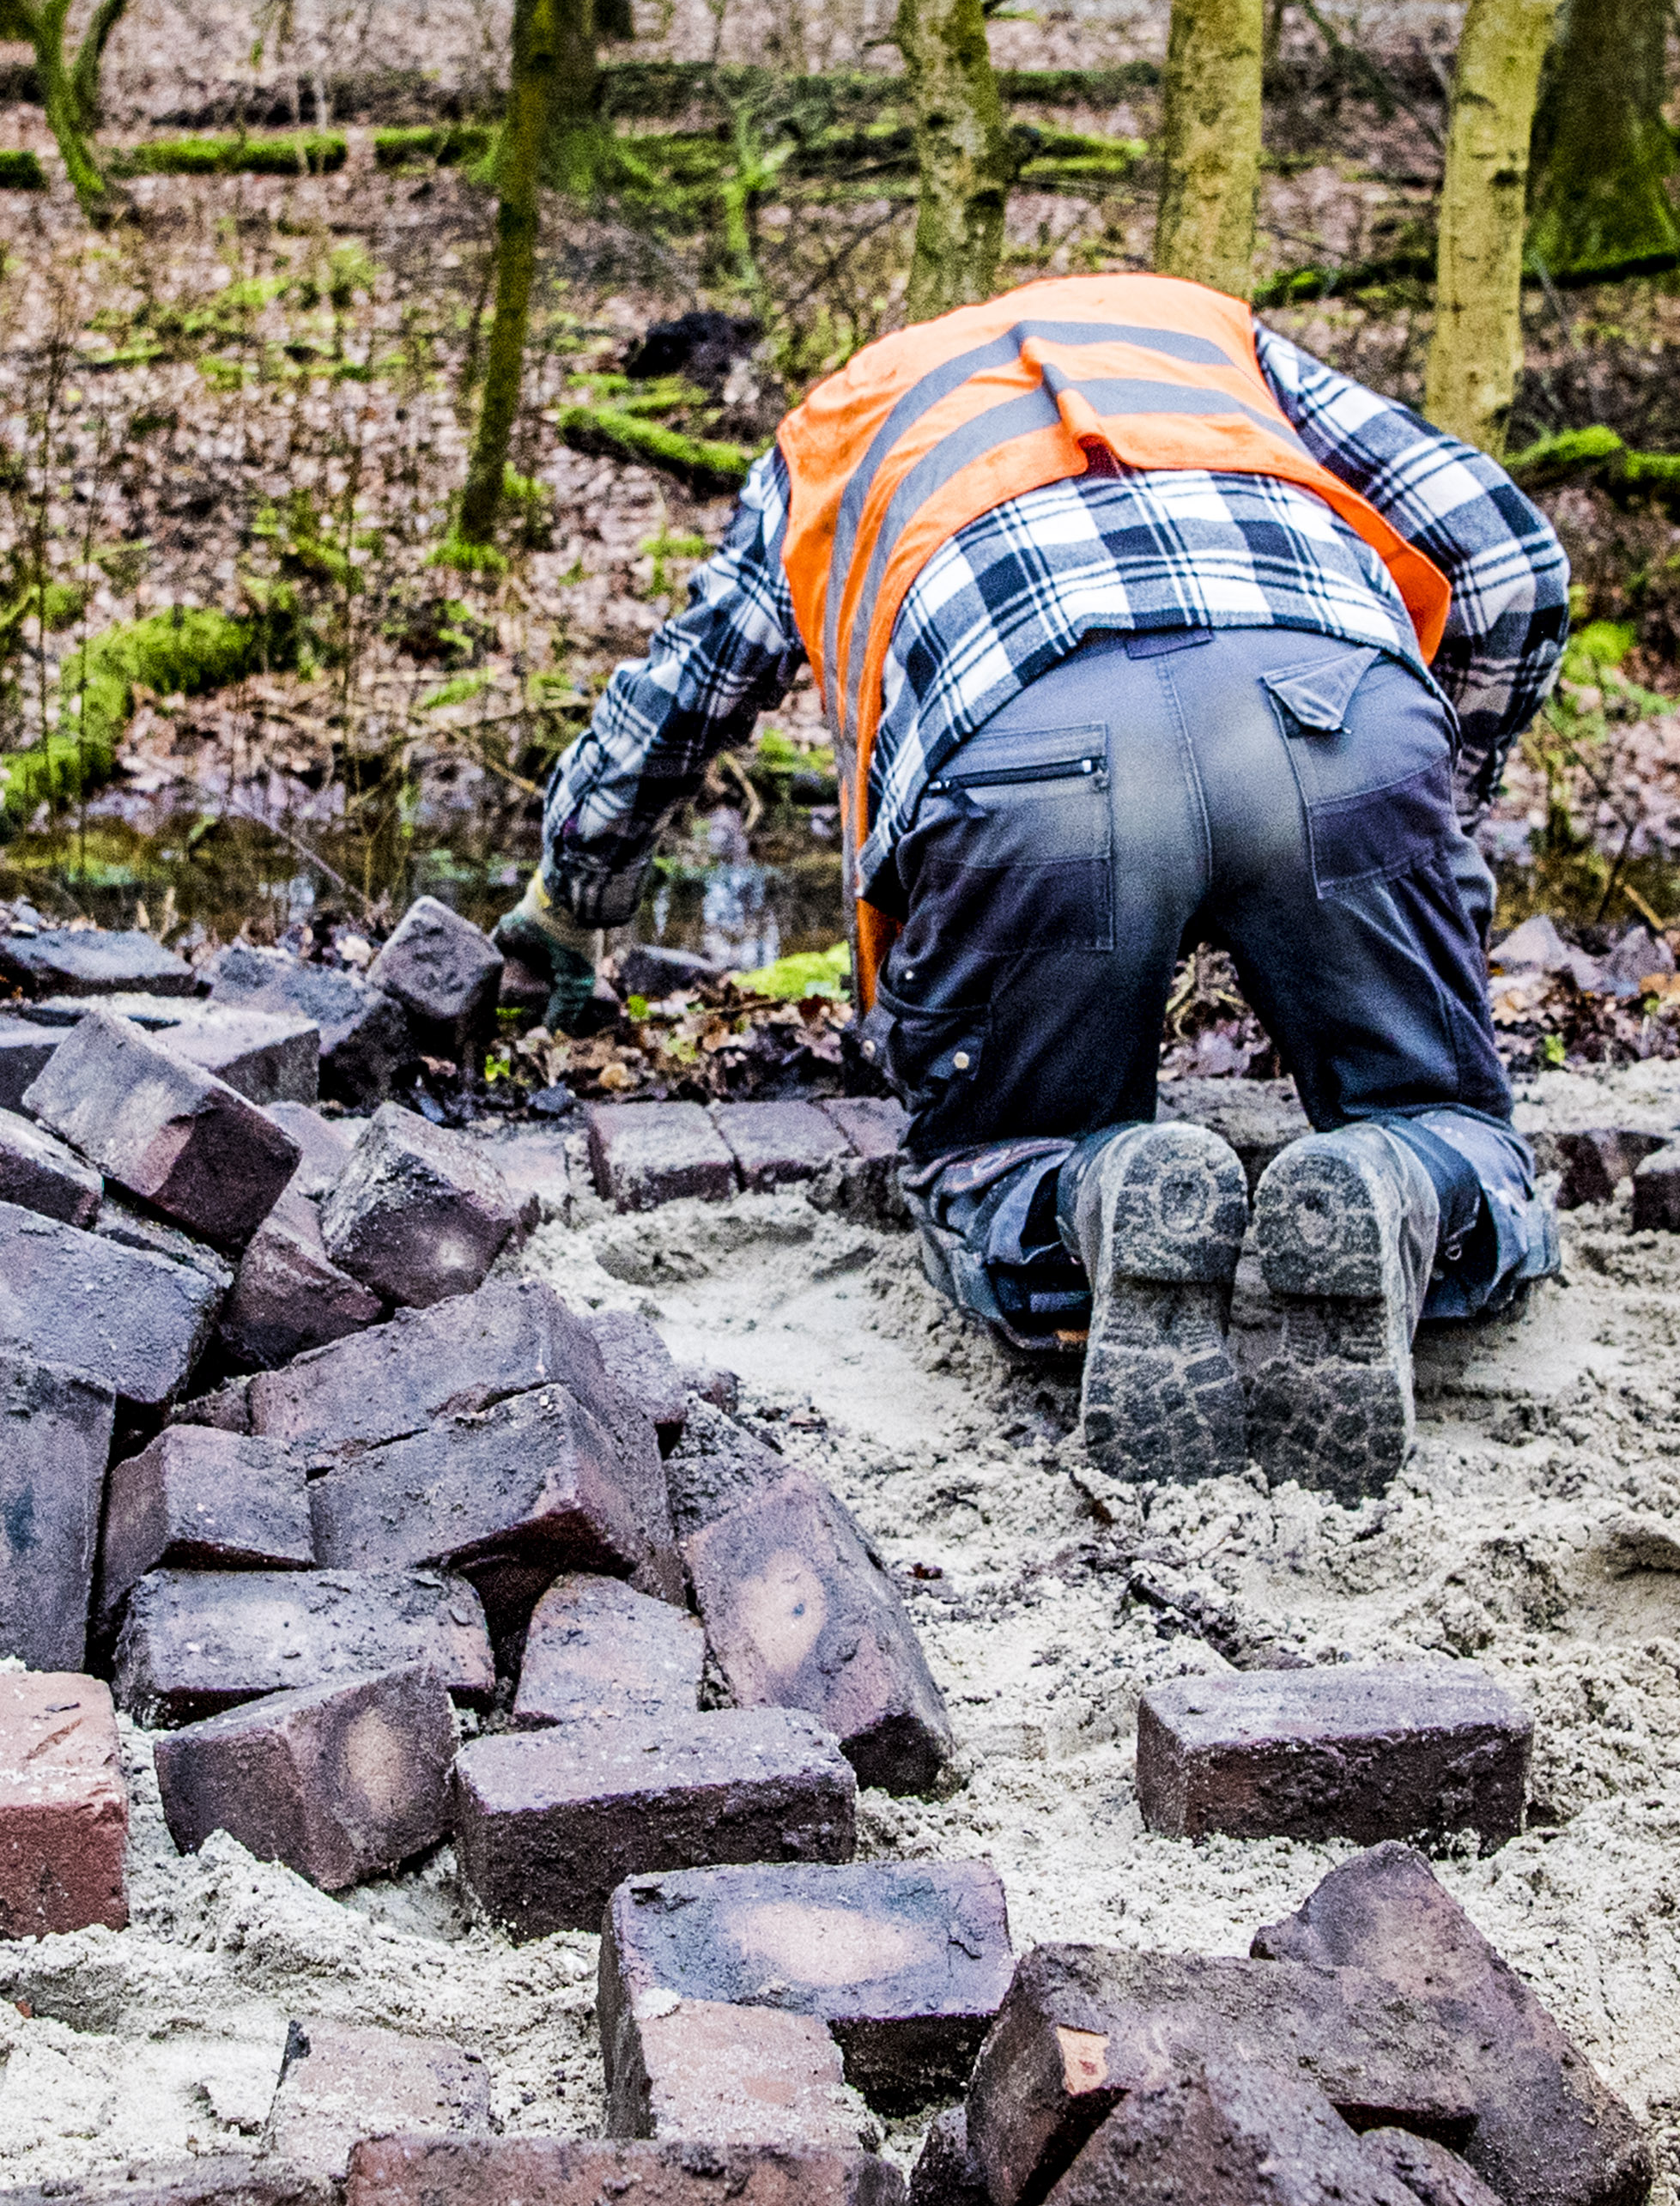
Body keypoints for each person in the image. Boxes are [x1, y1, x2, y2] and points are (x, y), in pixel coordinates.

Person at [513, 270, 1578, 1499]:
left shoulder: (839, 425)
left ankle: (1098, 1189)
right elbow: (1510, 563)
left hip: (1027, 738)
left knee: (1001, 1153)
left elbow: (679, 702)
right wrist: (1443, 803)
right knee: (1440, 1115)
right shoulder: (1193, 330)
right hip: (1332, 703)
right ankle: (1400, 1181)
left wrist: (571, 895)